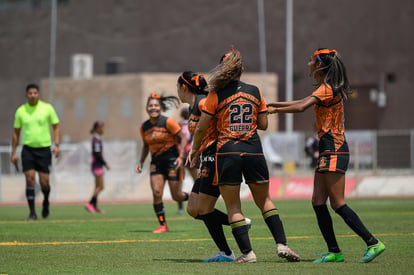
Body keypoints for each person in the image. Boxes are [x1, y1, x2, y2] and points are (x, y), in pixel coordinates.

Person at [268, 48, 385, 263]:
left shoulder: (327, 89)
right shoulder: (325, 88)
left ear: (320, 66)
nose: (309, 64)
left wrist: (275, 109)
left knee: (338, 204)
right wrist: (273, 106)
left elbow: (301, 106)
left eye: (312, 61)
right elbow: (302, 101)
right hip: (327, 149)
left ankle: (373, 243)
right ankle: (334, 251)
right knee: (318, 201)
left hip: (335, 148)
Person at [189, 49, 300, 263]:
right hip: (253, 151)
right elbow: (264, 125)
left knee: (233, 207)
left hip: (228, 152)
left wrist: (194, 150)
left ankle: (248, 253)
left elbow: (202, 129)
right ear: (242, 70)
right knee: (265, 200)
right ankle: (282, 244)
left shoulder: (215, 95)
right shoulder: (255, 91)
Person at [178, 71, 248, 262]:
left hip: (217, 157)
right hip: (207, 158)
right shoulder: (194, 106)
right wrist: (197, 153)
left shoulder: (202, 102)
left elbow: (218, 123)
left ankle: (227, 251)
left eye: (178, 87)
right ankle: (237, 223)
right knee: (194, 209)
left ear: (183, 87)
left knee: (204, 209)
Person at [136, 92, 189, 233]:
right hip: (156, 163)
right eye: (150, 105)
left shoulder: (168, 122)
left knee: (176, 196)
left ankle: (194, 197)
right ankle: (163, 225)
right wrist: (141, 162)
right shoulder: (144, 127)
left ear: (160, 108)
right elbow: (146, 145)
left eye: (156, 105)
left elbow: (183, 138)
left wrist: (181, 157)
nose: (153, 108)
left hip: (173, 161)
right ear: (147, 108)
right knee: (156, 191)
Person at [11, 83, 60, 221]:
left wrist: (56, 145)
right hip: (28, 150)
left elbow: (56, 126)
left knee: (44, 182)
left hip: (44, 149)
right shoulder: (21, 111)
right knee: (30, 179)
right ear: (27, 95)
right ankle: (32, 212)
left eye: (35, 93)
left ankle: (45, 201)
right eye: (30, 93)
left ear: (38, 94)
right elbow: (16, 132)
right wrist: (13, 152)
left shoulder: (47, 108)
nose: (33, 95)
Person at [85, 121, 110, 213]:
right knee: (101, 186)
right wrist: (105, 163)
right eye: (101, 128)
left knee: (97, 187)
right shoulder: (96, 140)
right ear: (97, 129)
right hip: (97, 166)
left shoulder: (97, 139)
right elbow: (97, 154)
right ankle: (89, 203)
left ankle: (94, 206)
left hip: (97, 165)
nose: (103, 129)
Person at [176, 106, 196, 215]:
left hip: (190, 154)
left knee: (196, 179)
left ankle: (199, 201)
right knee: (179, 181)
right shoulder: (178, 125)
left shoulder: (192, 124)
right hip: (181, 155)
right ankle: (180, 207)